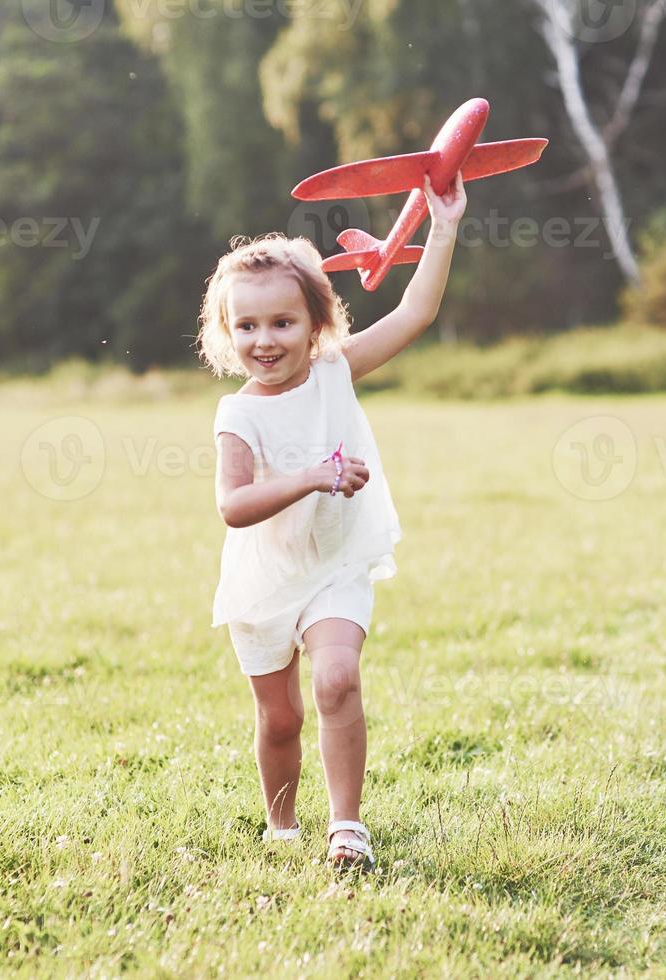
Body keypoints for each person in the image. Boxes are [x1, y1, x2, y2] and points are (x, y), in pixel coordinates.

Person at [196, 174, 468, 870]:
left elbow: (413, 315)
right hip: (266, 579)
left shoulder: (335, 372)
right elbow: (232, 507)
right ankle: (281, 825)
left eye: (282, 323)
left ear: (315, 325)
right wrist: (314, 475)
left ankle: (347, 827)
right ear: (227, 334)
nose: (265, 340)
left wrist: (442, 229)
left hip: (335, 565)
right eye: (247, 326)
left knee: (337, 680)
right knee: (279, 718)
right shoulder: (240, 415)